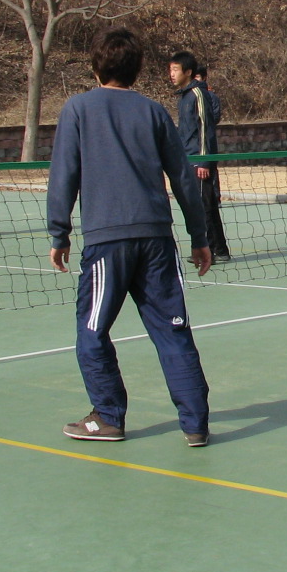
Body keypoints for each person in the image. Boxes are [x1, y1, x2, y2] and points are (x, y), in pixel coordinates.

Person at [49, 29, 214, 447]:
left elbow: (63, 174)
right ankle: (195, 425)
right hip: (158, 241)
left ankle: (107, 417)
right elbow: (183, 178)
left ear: (95, 67)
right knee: (174, 331)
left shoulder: (78, 108)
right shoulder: (154, 112)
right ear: (138, 69)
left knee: (92, 330)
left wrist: (58, 232)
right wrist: (199, 236)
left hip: (108, 242)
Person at [168, 50, 230, 260]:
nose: (172, 74)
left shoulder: (198, 95)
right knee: (204, 205)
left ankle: (209, 250)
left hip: (199, 161)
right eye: (170, 70)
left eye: (175, 70)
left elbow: (205, 128)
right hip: (189, 159)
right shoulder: (184, 97)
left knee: (204, 206)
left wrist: (204, 161)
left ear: (188, 72)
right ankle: (220, 250)